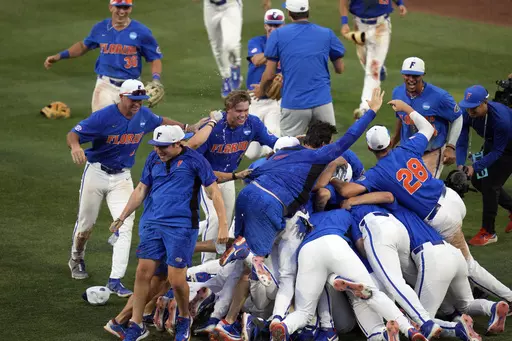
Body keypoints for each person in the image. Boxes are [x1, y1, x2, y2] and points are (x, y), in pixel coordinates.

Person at [211, 88, 384, 339]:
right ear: (324, 145)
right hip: (272, 206)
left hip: (247, 197)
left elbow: (253, 174)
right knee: (283, 273)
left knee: (241, 271)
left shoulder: (279, 154)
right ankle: (285, 316)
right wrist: (372, 112)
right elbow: (348, 139)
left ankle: (223, 319)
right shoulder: (319, 156)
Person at [335, 99, 512, 308]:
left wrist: (332, 178)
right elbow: (427, 128)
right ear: (389, 142)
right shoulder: (407, 148)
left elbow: (347, 191)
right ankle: (462, 298)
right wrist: (407, 109)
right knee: (454, 260)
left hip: (441, 217)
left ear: (369, 147)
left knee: (468, 265)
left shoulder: (377, 174)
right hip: (451, 198)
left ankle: (506, 297)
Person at [66, 79, 203, 296]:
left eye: (141, 100)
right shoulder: (104, 116)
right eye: (134, 99)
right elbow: (74, 133)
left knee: (125, 225)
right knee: (86, 224)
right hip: (96, 173)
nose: (138, 104)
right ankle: (76, 257)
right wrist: (75, 146)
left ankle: (115, 279)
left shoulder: (144, 115)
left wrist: (188, 127)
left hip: (122, 177)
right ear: (122, 97)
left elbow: (161, 122)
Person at [109, 125, 229, 341]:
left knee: (175, 280)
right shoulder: (153, 159)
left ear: (178, 144)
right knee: (142, 272)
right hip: (152, 223)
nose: (159, 151)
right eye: (156, 146)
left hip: (181, 227)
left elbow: (214, 191)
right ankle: (135, 324)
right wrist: (122, 216)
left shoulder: (195, 161)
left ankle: (184, 317)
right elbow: (140, 190)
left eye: (164, 147)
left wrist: (222, 225)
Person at [196, 90, 278, 264]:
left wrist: (290, 146)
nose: (243, 115)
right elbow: (197, 162)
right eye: (239, 111)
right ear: (228, 110)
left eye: (246, 110)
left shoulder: (252, 123)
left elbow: (274, 142)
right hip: (205, 180)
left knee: (224, 219)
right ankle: (204, 267)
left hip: (229, 180)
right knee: (216, 219)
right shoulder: (213, 128)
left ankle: (189, 236)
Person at [44, 0, 164, 112]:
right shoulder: (100, 28)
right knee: (101, 127)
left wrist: (156, 79)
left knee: (129, 129)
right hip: (106, 86)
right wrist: (60, 56)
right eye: (118, 7)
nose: (122, 11)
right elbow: (83, 46)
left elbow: (154, 58)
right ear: (111, 7)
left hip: (132, 87)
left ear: (130, 9)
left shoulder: (142, 31)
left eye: (126, 7)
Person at [252, 0, 345, 137]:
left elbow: (270, 74)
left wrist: (261, 90)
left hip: (294, 104)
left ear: (289, 13)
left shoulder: (278, 35)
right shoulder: (327, 33)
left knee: (289, 151)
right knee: (325, 151)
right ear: (308, 11)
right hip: (323, 102)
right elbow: (340, 69)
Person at [389, 57, 463, 179]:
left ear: (423, 75)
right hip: (407, 151)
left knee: (423, 191)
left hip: (432, 152)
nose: (411, 79)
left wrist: (451, 146)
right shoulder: (398, 93)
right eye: (408, 75)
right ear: (403, 75)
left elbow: (457, 117)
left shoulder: (439, 97)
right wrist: (394, 140)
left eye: (415, 76)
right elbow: (401, 118)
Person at [457, 85, 512, 245]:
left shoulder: (501, 121)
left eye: (474, 109)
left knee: (490, 185)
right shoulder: (467, 112)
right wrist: (461, 166)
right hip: (492, 143)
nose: (470, 113)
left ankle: (489, 232)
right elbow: (462, 140)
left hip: (508, 148)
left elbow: (497, 152)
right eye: (467, 108)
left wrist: (475, 166)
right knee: (478, 181)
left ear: (485, 103)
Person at [340, 0, 407, 120]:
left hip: (380, 27)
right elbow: (343, 1)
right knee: (365, 61)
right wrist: (344, 22)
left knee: (372, 70)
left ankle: (365, 107)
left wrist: (400, 3)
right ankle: (380, 68)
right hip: (359, 26)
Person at [200, 0, 272, 97]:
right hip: (210, 7)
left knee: (231, 45)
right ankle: (226, 77)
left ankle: (235, 68)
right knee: (217, 46)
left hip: (231, 5)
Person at [244, 9, 285, 160]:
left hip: (275, 100)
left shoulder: (288, 45)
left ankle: (268, 170)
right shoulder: (256, 41)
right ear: (265, 25)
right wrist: (277, 49)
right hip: (254, 99)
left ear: (283, 25)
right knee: (250, 153)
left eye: (277, 25)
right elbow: (256, 60)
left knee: (273, 136)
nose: (273, 28)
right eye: (270, 25)